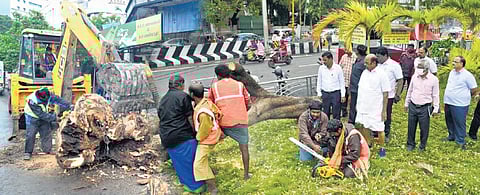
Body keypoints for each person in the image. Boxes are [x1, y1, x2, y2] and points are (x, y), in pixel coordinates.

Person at [158, 73, 206, 193]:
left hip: (166, 137)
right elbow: (190, 118)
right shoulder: (183, 97)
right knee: (192, 161)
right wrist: (196, 133)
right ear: (181, 85)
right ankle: (198, 187)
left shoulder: (163, 99)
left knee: (179, 164)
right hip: (182, 136)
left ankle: (188, 186)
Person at [208, 63, 251, 180]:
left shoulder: (214, 87)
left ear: (218, 76)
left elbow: (210, 104)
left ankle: (208, 171)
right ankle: (246, 175)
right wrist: (242, 111)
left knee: (208, 145)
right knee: (244, 148)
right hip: (240, 121)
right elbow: (248, 101)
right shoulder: (240, 85)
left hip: (223, 123)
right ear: (229, 73)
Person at [189, 83, 222, 195]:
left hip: (208, 139)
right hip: (212, 134)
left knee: (199, 164)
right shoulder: (206, 102)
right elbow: (218, 113)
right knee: (203, 162)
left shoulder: (202, 112)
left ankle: (212, 187)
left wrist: (198, 138)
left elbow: (205, 129)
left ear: (192, 94)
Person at [356, 54, 390, 157]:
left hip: (376, 107)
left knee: (379, 129)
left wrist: (384, 110)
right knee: (365, 126)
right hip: (364, 106)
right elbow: (361, 90)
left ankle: (382, 148)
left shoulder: (381, 74)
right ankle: (368, 145)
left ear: (374, 63)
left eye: (367, 63)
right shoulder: (364, 73)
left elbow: (385, 93)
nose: (365, 65)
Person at [23, 87, 71, 160]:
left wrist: (68, 105)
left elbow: (58, 100)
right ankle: (27, 152)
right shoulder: (32, 100)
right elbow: (41, 114)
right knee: (31, 134)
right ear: (40, 97)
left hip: (43, 114)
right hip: (32, 117)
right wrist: (55, 118)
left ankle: (47, 150)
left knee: (46, 132)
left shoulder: (48, 95)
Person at [443, 56, 478, 150]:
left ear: (461, 64)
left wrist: (466, 96)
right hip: (449, 102)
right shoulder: (452, 72)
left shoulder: (467, 75)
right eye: (453, 61)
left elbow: (474, 89)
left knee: (459, 122)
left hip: (460, 104)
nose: (453, 63)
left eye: (455, 62)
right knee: (449, 120)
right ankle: (452, 136)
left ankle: (460, 140)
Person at [404, 61, 440, 152]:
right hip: (413, 104)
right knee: (411, 126)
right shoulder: (414, 77)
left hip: (425, 107)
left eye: (421, 68)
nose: (419, 70)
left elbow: (435, 95)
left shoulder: (434, 80)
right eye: (418, 68)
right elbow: (410, 90)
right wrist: (406, 103)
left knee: (424, 128)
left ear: (427, 69)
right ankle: (410, 144)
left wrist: (436, 108)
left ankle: (422, 146)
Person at [376, 47, 403, 143]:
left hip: (389, 95)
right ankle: (377, 131)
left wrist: (398, 94)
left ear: (385, 56)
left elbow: (400, 80)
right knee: (377, 113)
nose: (377, 59)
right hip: (377, 95)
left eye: (379, 57)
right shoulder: (377, 65)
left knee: (386, 114)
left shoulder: (394, 65)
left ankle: (386, 133)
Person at [316, 51, 345, 120]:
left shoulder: (338, 68)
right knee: (325, 112)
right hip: (325, 93)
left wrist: (343, 95)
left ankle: (336, 126)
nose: (324, 62)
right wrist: (319, 93)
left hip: (336, 93)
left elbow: (342, 82)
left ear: (331, 59)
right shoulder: (321, 68)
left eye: (325, 60)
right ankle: (326, 127)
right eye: (323, 60)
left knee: (336, 112)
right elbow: (319, 81)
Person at [349, 45, 367, 124]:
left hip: (359, 89)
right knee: (353, 106)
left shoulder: (364, 62)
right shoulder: (358, 60)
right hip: (354, 87)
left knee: (357, 106)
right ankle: (352, 121)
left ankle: (355, 121)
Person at [339, 49, 357, 117]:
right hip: (344, 81)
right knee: (344, 97)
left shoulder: (355, 58)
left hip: (352, 82)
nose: (345, 50)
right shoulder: (344, 57)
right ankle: (344, 112)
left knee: (352, 98)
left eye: (347, 48)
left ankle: (352, 113)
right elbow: (340, 66)